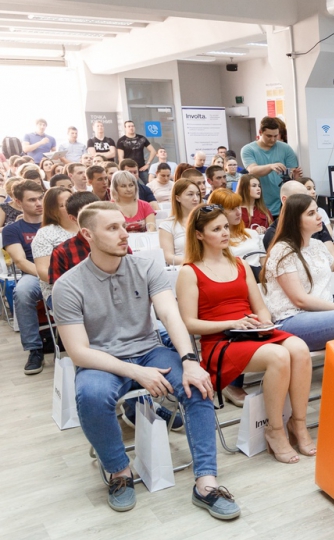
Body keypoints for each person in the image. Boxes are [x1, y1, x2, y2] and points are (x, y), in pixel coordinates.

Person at [52, 202, 241, 519]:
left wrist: (190, 360)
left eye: (123, 225)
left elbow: (169, 314)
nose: (124, 233)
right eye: (112, 228)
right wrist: (137, 372)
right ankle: (119, 472)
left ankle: (206, 483)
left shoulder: (145, 267)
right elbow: (79, 352)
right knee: (91, 395)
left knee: (198, 384)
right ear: (87, 234)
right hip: (102, 360)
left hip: (150, 350)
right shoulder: (68, 285)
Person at [176, 204, 313, 463]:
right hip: (220, 341)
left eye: (225, 227)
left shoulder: (240, 264)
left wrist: (263, 323)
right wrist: (233, 323)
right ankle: (274, 430)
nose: (225, 233)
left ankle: (298, 423)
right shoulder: (189, 271)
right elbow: (190, 324)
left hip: (249, 331)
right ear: (199, 235)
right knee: (278, 356)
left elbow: (260, 308)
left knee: (299, 349)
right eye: (216, 229)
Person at [260, 193, 334, 351]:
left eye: (317, 211)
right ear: (295, 220)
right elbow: (300, 300)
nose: (319, 216)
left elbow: (333, 265)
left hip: (320, 317)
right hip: (292, 319)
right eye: (311, 213)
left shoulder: (317, 245)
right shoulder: (282, 250)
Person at [2, 179, 45, 374]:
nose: (39, 203)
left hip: (64, 271)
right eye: (32, 200)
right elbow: (20, 261)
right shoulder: (13, 229)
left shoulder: (56, 222)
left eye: (41, 198)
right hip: (33, 273)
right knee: (22, 292)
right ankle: (34, 349)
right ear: (18, 202)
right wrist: (48, 275)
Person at [241, 116, 302, 215]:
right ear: (260, 132)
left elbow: (291, 173)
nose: (273, 139)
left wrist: (294, 177)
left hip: (283, 204)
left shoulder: (286, 148)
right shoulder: (248, 149)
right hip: (260, 204)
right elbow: (252, 170)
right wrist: (270, 167)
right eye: (269, 136)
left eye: (275, 136)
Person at [261, 181, 334, 255]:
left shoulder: (317, 225)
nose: (306, 202)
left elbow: (333, 256)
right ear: (285, 200)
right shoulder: (273, 234)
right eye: (300, 198)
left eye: (307, 197)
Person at [47, 191, 101, 288]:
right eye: (87, 214)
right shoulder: (62, 252)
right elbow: (60, 289)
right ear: (73, 218)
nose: (95, 217)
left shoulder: (116, 242)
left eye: (98, 211)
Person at [33, 187, 78, 302]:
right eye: (64, 205)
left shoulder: (88, 226)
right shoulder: (45, 234)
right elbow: (43, 271)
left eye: (72, 201)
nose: (71, 206)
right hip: (60, 289)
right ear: (53, 210)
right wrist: (75, 282)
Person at [158, 178, 201, 266]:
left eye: (198, 194)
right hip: (183, 267)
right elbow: (168, 257)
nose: (196, 198)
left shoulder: (206, 220)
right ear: (178, 198)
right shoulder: (167, 225)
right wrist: (195, 262)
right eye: (190, 194)